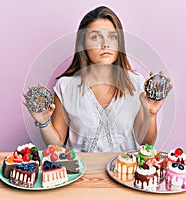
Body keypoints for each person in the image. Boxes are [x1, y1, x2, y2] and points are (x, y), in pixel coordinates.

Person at [23, 6, 172, 152]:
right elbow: (57, 144)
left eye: (112, 37)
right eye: (95, 37)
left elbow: (145, 143)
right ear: (83, 44)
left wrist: (151, 114)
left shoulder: (136, 83)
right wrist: (44, 122)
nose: (105, 44)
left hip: (124, 172)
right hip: (81, 172)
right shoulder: (65, 86)